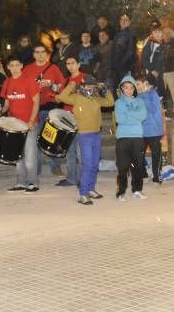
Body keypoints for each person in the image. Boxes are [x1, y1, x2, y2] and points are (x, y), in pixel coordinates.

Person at [57, 75, 114, 205]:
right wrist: (71, 85)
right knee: (87, 164)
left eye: (91, 85)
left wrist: (105, 88)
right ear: (82, 85)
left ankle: (91, 189)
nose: (89, 87)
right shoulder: (76, 97)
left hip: (96, 134)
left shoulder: (97, 98)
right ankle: (83, 194)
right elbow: (61, 97)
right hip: (84, 135)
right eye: (86, 85)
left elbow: (110, 102)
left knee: (94, 164)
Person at [23, 45, 65, 176]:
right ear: (33, 54)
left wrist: (51, 85)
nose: (40, 55)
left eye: (43, 52)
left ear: (46, 54)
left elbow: (62, 88)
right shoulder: (27, 69)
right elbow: (22, 87)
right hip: (33, 109)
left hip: (50, 108)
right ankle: (36, 169)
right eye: (37, 52)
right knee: (34, 140)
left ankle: (55, 167)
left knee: (52, 138)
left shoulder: (53, 68)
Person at [0, 56, 41, 193]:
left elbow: (36, 102)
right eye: (12, 65)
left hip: (29, 124)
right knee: (17, 155)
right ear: (8, 67)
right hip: (14, 125)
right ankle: (21, 183)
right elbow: (6, 104)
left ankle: (33, 183)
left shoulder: (29, 80)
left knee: (30, 155)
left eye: (17, 65)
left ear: (22, 65)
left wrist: (31, 120)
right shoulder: (7, 82)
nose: (15, 68)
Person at [55, 56, 87, 187]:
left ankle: (82, 179)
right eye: (68, 64)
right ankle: (71, 178)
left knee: (81, 152)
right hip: (68, 119)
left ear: (78, 64)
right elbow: (61, 99)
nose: (70, 66)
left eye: (73, 63)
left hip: (82, 118)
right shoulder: (66, 80)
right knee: (70, 151)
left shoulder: (86, 78)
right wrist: (57, 97)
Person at [114, 74, 147, 201]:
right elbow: (120, 119)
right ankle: (121, 192)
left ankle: (137, 190)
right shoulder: (118, 103)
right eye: (126, 87)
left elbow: (143, 116)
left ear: (134, 89)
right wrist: (135, 116)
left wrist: (128, 114)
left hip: (138, 137)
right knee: (122, 167)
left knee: (138, 166)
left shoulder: (140, 101)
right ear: (122, 89)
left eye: (131, 87)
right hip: (123, 137)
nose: (128, 90)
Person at [138, 76, 165, 184]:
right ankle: (143, 173)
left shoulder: (152, 94)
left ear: (145, 83)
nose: (137, 87)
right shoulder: (139, 95)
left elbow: (154, 110)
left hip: (154, 130)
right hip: (142, 130)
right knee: (140, 153)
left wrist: (144, 96)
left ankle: (156, 176)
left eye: (138, 84)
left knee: (156, 155)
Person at [112, 13, 137, 82]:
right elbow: (113, 51)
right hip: (115, 68)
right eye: (122, 19)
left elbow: (130, 52)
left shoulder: (131, 35)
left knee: (126, 89)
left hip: (126, 68)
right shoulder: (117, 34)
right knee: (117, 90)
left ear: (129, 22)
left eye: (125, 20)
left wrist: (121, 64)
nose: (123, 21)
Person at [141, 23, 164, 95]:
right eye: (155, 32)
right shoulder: (150, 44)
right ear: (152, 33)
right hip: (151, 75)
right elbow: (144, 59)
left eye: (159, 32)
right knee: (153, 95)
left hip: (159, 75)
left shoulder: (161, 44)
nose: (157, 34)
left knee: (160, 95)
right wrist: (153, 71)